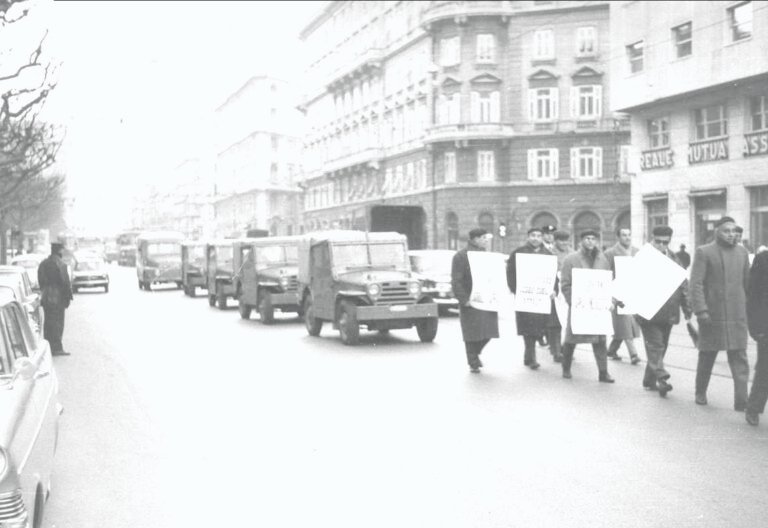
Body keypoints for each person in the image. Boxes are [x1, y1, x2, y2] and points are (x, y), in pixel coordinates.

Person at [690, 216, 750, 408]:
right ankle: (700, 391)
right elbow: (696, 284)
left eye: (734, 231)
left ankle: (742, 400)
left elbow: (747, 284)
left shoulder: (742, 252)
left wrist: (748, 309)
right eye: (726, 231)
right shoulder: (704, 252)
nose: (731, 234)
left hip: (736, 313)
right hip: (712, 314)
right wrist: (701, 310)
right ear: (716, 231)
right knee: (707, 355)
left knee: (739, 357)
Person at [636, 226, 692, 397]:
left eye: (665, 242)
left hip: (669, 313)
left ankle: (649, 380)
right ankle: (662, 378)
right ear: (652, 239)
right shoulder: (642, 258)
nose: (661, 245)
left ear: (669, 242)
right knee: (656, 346)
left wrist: (687, 308)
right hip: (648, 313)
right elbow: (628, 283)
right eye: (658, 242)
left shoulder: (675, 259)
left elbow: (683, 285)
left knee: (661, 348)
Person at [560, 230, 615, 383]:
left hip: (597, 308)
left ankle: (603, 372)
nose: (590, 241)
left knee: (600, 340)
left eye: (593, 239)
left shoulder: (602, 259)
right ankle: (566, 368)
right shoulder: (571, 259)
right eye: (587, 238)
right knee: (571, 339)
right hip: (579, 306)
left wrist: (609, 300)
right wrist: (574, 301)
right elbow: (565, 284)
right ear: (581, 241)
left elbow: (608, 283)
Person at [506, 227, 562, 369]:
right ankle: (531, 357)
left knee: (540, 327)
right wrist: (516, 290)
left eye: (538, 236)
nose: (535, 238)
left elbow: (553, 276)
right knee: (528, 328)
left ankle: (529, 356)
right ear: (528, 237)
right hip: (526, 297)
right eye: (533, 235)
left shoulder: (548, 254)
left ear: (542, 238)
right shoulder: (518, 253)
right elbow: (510, 273)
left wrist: (554, 290)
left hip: (542, 298)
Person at [451, 228, 499, 373]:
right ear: (475, 239)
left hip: (487, 299)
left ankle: (475, 354)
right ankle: (473, 360)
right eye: (484, 238)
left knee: (489, 331)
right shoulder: (461, 256)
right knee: (472, 333)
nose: (486, 241)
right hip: (470, 299)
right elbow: (456, 280)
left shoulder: (487, 255)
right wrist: (463, 299)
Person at [604, 227, 642, 364]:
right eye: (624, 235)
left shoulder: (636, 251)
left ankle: (611, 350)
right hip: (617, 295)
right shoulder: (610, 253)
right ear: (618, 237)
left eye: (629, 235)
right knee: (625, 324)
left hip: (632, 292)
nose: (627, 237)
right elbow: (606, 273)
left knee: (628, 324)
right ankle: (634, 355)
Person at [37, 242, 73, 356]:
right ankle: (57, 347)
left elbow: (40, 280)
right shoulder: (61, 264)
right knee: (58, 322)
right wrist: (68, 298)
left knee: (48, 322)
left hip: (47, 296)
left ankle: (48, 347)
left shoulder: (43, 263)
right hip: (58, 297)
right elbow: (66, 283)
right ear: (59, 251)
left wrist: (45, 290)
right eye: (62, 250)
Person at [746, 249, 768, 425]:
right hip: (766, 327)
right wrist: (756, 328)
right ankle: (753, 408)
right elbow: (752, 296)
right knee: (765, 369)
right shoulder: (763, 259)